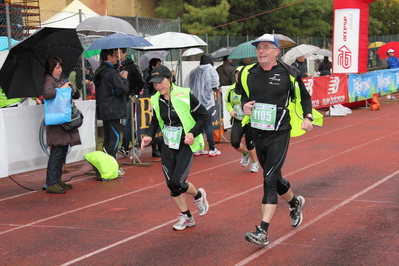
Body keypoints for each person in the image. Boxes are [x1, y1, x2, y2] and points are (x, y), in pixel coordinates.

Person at [236, 34, 314, 246]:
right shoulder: (247, 73)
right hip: (256, 131)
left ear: (277, 52)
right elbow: (240, 95)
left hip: (280, 132)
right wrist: (244, 105)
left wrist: (308, 116)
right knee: (274, 177)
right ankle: (295, 203)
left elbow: (304, 96)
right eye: (259, 48)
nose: (261, 51)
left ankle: (263, 230)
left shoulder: (289, 73)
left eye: (267, 47)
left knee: (269, 179)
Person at [140, 65, 210, 230]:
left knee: (178, 181)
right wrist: (149, 135)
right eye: (154, 83)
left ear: (170, 79)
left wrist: (193, 133)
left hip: (185, 142)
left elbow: (203, 115)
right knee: (171, 184)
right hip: (168, 143)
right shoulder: (156, 99)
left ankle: (198, 195)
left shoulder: (185, 94)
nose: (158, 86)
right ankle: (187, 217)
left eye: (161, 82)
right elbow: (156, 121)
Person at [42, 56, 81, 194]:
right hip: (56, 120)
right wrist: (61, 88)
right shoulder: (48, 79)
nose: (60, 70)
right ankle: (51, 182)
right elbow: (47, 94)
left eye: (61, 67)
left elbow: (75, 95)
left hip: (63, 119)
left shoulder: (60, 79)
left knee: (63, 151)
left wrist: (72, 88)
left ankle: (57, 179)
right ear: (51, 68)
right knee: (57, 152)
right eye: (57, 67)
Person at [93, 49, 129, 174]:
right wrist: (124, 78)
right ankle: (111, 165)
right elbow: (122, 89)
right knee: (114, 137)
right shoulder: (111, 72)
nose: (117, 58)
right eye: (114, 56)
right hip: (113, 109)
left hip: (105, 108)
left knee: (108, 137)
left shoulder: (100, 71)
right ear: (109, 56)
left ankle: (104, 165)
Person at [185, 54, 221, 157]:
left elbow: (188, 85)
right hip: (207, 102)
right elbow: (215, 84)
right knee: (208, 125)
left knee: (197, 125)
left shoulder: (194, 71)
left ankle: (198, 148)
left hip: (195, 103)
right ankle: (212, 148)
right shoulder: (210, 69)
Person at [225, 66, 259, 172]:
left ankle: (254, 163)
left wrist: (247, 105)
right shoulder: (231, 89)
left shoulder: (252, 88)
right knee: (234, 142)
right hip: (238, 120)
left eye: (240, 74)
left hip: (249, 120)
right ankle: (245, 154)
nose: (238, 76)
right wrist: (231, 110)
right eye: (236, 74)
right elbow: (227, 102)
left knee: (250, 143)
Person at [116, 48, 145, 157]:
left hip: (128, 98)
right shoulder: (115, 67)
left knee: (126, 121)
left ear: (125, 54)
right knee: (125, 122)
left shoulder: (132, 67)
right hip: (119, 98)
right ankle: (136, 140)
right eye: (116, 53)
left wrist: (132, 93)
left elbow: (140, 82)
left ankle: (124, 146)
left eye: (119, 53)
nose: (117, 55)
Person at [142, 57, 163, 157]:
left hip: (159, 101)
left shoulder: (162, 75)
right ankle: (154, 148)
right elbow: (149, 88)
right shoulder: (150, 77)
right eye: (158, 65)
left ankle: (162, 147)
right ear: (153, 66)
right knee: (154, 124)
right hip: (151, 101)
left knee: (161, 124)